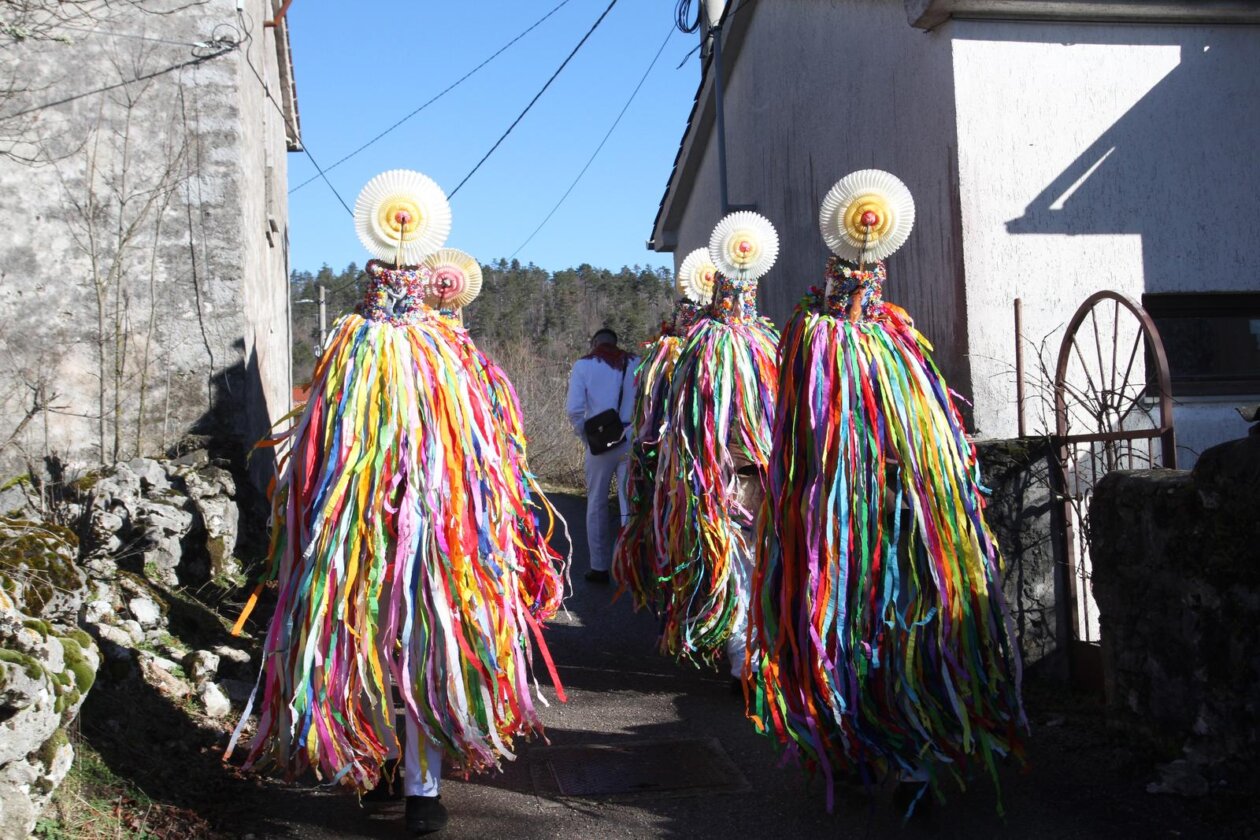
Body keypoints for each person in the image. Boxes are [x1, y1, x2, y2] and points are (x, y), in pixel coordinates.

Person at [227, 171, 568, 838]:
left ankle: (419, 786)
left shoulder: (430, 348)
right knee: (371, 649)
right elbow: (322, 444)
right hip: (358, 533)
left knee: (423, 649)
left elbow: (484, 450)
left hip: (437, 534)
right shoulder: (361, 345)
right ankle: (389, 772)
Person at [749, 170, 1024, 815]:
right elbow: (802, 436)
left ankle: (902, 760)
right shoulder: (824, 342)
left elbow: (931, 436)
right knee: (848, 630)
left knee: (896, 635)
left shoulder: (887, 342)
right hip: (840, 527)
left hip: (898, 522)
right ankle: (857, 747)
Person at [566, 327, 638, 584]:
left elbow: (574, 410)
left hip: (600, 444)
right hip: (631, 439)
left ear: (595, 343)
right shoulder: (636, 363)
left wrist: (587, 438)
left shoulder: (583, 366)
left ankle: (599, 567)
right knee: (630, 503)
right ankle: (630, 565)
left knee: (596, 504)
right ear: (616, 342)